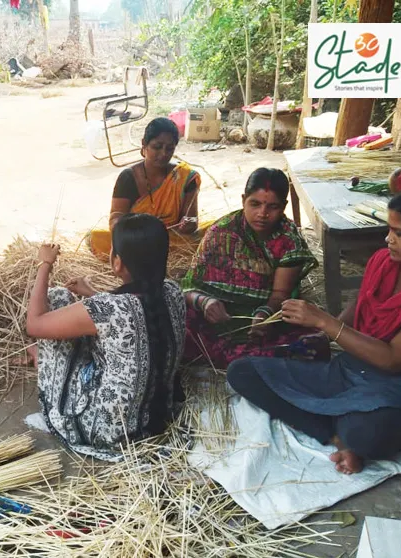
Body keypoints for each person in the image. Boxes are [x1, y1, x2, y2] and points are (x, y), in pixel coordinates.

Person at [227, 183, 401, 475]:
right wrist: (321, 334)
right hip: (349, 372)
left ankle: (340, 428)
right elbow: (361, 301)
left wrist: (326, 322)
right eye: (389, 229)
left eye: (400, 233)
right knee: (242, 372)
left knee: (369, 434)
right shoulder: (384, 262)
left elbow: (394, 359)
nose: (388, 239)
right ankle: (338, 436)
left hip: (400, 393)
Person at [27, 214, 186, 459]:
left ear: (117, 262)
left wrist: (44, 265)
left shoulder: (108, 308)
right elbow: (135, 315)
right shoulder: (174, 292)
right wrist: (92, 294)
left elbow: (35, 324)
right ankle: (40, 356)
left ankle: (43, 360)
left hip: (107, 433)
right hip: (157, 420)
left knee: (58, 297)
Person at [182, 168, 321, 367]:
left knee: (311, 345)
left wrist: (265, 314)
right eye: (254, 204)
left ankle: (228, 357)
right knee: (174, 320)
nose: (262, 214)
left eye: (272, 207)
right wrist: (205, 302)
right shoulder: (221, 232)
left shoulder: (288, 241)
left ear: (284, 207)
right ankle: (241, 359)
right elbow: (188, 287)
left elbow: (281, 294)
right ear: (243, 200)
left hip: (263, 324)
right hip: (213, 320)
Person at [89, 118, 202, 259]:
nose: (163, 154)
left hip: (172, 241)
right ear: (144, 144)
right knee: (97, 238)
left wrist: (189, 223)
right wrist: (130, 232)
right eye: (157, 147)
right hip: (137, 243)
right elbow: (116, 217)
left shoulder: (185, 177)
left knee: (208, 235)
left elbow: (191, 219)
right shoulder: (128, 178)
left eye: (170, 148)